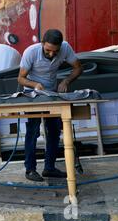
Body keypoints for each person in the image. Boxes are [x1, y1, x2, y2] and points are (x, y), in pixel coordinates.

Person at [17, 29, 83, 182]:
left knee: (54, 131)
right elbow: (21, 78)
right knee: (33, 131)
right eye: (48, 50)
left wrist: (66, 81)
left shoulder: (65, 48)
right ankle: (30, 169)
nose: (52, 54)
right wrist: (35, 84)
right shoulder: (31, 52)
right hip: (32, 94)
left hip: (52, 93)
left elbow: (78, 67)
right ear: (42, 44)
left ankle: (49, 168)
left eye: (55, 51)